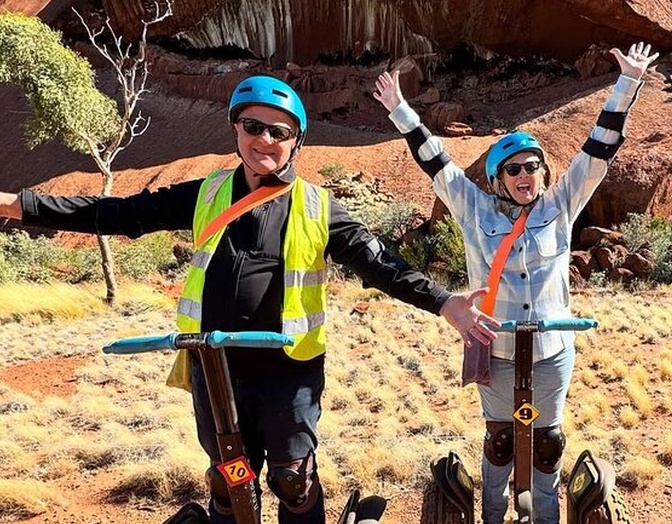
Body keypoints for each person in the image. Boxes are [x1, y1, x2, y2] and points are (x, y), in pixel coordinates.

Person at [0, 75, 499, 524]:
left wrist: (444, 303)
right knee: (229, 479)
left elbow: (382, 265)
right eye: (253, 125)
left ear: (295, 142)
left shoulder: (318, 207)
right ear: (236, 130)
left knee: (292, 481)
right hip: (215, 370)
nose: (264, 139)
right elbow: (119, 214)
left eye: (278, 132)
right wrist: (19, 206)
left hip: (288, 371)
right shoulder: (207, 195)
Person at [374, 42, 659, 524]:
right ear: (497, 177)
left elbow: (599, 150)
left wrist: (627, 82)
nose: (525, 174)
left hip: (551, 349)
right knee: (501, 443)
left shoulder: (560, 205)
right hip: (498, 348)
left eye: (532, 166)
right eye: (513, 169)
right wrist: (402, 111)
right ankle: (491, 516)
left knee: (547, 446)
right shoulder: (474, 210)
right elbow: (436, 162)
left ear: (543, 173)